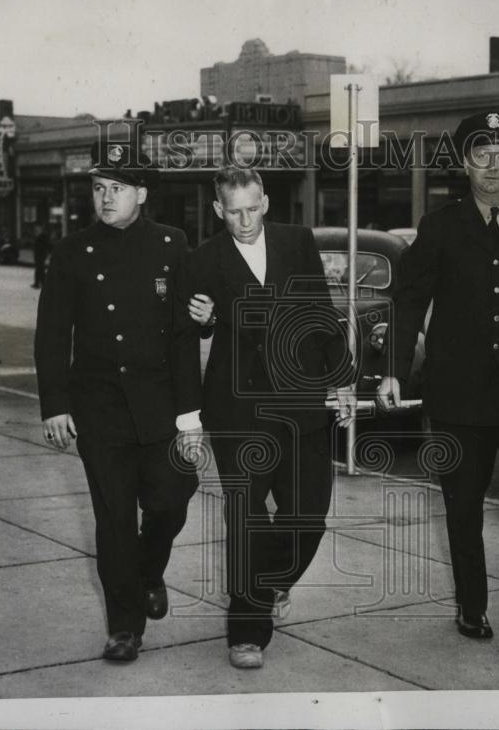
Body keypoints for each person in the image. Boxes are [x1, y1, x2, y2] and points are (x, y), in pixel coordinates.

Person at [377, 110, 499, 665]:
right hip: (460, 398)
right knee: (462, 507)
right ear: (466, 163)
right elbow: (409, 300)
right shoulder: (440, 226)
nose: (494, 166)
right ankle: (472, 604)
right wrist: (394, 368)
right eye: (482, 155)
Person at [179, 166, 356, 670]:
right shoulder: (204, 259)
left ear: (266, 202)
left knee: (309, 515)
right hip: (239, 411)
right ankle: (246, 630)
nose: (245, 219)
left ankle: (273, 581)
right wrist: (206, 320)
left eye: (252, 208)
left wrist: (341, 378)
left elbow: (321, 313)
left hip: (302, 404)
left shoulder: (298, 242)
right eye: (233, 211)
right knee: (247, 520)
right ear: (218, 210)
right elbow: (191, 330)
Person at [34, 141, 201, 663]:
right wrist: (54, 404)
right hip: (100, 406)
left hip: (161, 405)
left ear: (143, 193)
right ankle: (124, 627)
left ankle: (150, 572)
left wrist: (190, 412)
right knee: (114, 522)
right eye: (100, 188)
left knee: (171, 500)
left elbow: (184, 332)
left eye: (118, 189)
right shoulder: (71, 251)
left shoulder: (174, 244)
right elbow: (52, 333)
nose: (106, 199)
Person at [31, 225, 52, 289]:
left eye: (37, 230)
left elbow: (46, 246)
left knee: (40, 270)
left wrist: (47, 253)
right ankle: (39, 283)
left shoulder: (42, 237)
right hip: (39, 255)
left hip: (41, 255)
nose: (35, 232)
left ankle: (39, 283)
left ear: (40, 230)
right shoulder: (39, 237)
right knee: (39, 269)